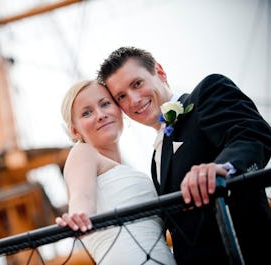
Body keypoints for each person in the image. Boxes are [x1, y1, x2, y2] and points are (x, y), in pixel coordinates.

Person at [96, 46, 271, 265]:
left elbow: (250, 135)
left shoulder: (207, 93)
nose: (133, 100)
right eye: (121, 96)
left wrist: (224, 168)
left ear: (159, 72)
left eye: (137, 84)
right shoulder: (155, 159)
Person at [55, 79, 176, 264]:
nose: (100, 115)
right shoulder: (83, 152)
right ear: (75, 131)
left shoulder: (130, 169)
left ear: (119, 109)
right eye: (87, 113)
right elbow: (82, 196)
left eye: (105, 104)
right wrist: (79, 216)